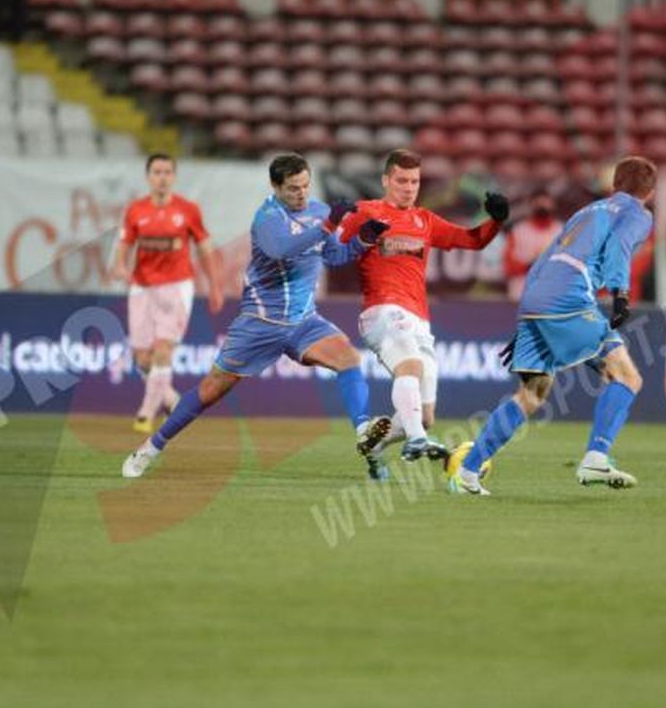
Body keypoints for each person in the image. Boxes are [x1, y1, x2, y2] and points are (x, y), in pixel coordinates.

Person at [120, 153, 393, 480]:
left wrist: (364, 239)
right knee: (211, 390)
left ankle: (365, 434)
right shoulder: (266, 218)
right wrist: (328, 225)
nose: (302, 193)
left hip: (304, 321)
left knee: (348, 358)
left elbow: (333, 255)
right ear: (275, 186)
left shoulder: (319, 211)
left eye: (305, 186)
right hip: (260, 323)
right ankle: (149, 448)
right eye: (293, 188)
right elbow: (283, 250)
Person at [444, 156, 657, 496]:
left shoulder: (586, 212)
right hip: (569, 299)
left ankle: (467, 474)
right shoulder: (638, 214)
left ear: (614, 183)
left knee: (532, 393)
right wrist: (621, 294)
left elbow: (548, 256)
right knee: (626, 376)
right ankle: (596, 458)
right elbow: (619, 247)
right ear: (650, 191)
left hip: (536, 298)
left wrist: (528, 317)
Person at [336, 149, 508, 464]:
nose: (409, 187)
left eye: (414, 181)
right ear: (386, 180)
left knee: (425, 414)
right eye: (402, 180)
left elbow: (472, 240)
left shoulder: (424, 220)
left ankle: (375, 444)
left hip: (418, 319)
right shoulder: (365, 211)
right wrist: (337, 224)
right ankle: (416, 441)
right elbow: (333, 251)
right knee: (410, 369)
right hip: (381, 311)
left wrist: (496, 220)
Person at [112, 153, 224, 434]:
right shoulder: (135, 210)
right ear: (148, 177)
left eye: (166, 172)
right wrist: (120, 266)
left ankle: (145, 414)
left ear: (173, 177)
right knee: (142, 359)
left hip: (176, 287)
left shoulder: (188, 210)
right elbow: (125, 243)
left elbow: (206, 248)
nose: (162, 177)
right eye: (156, 172)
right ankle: (173, 400)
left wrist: (215, 285)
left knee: (163, 350)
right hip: (142, 287)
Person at [502, 191, 561, 301]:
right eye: (538, 203)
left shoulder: (562, 231)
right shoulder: (519, 231)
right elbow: (508, 266)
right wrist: (530, 265)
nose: (542, 206)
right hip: (521, 293)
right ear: (531, 205)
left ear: (553, 205)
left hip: (553, 295)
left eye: (546, 203)